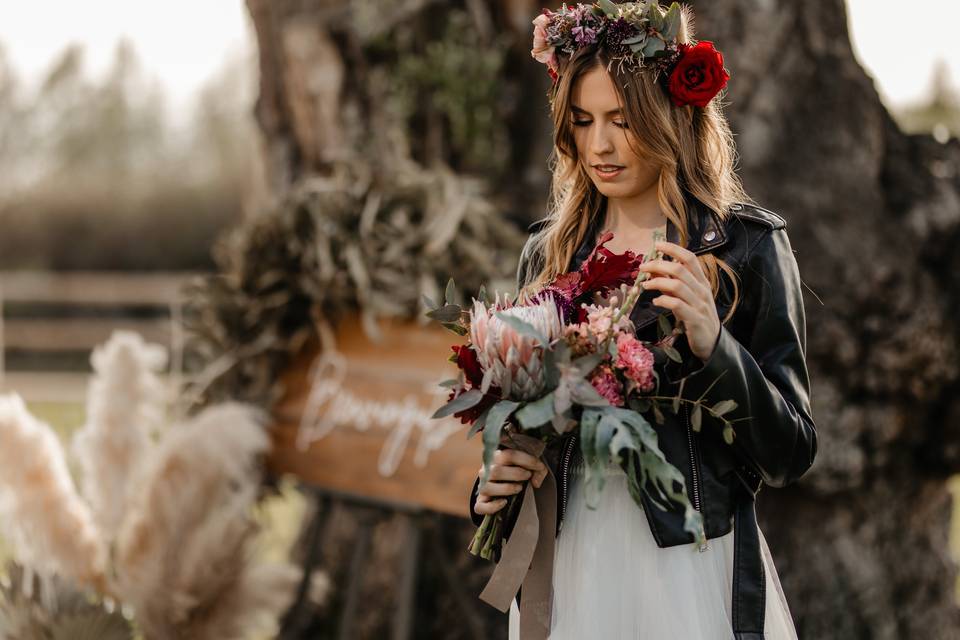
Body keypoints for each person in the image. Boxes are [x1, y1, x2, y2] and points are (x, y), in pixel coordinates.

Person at [468, 2, 817, 639]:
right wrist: (495, 479)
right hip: (567, 565)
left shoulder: (744, 248)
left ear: (671, 116)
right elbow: (519, 419)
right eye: (582, 121)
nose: (599, 144)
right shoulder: (547, 255)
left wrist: (715, 347)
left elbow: (790, 454)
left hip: (688, 568)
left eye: (622, 121)